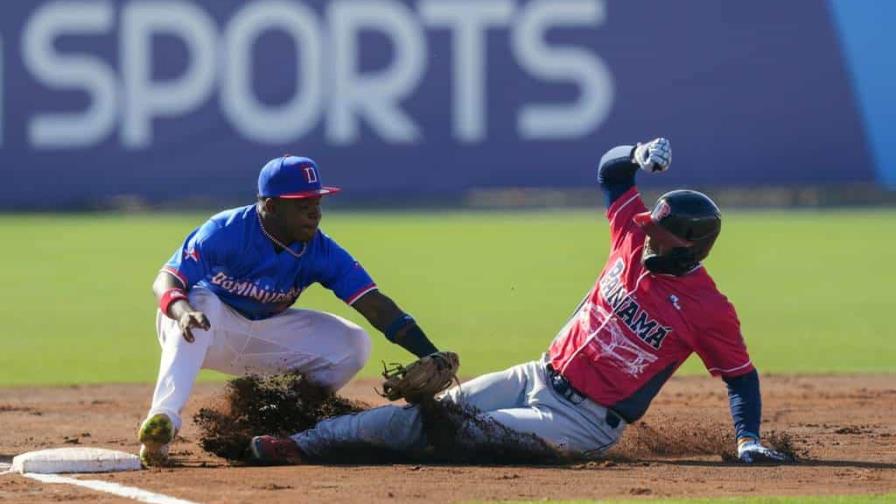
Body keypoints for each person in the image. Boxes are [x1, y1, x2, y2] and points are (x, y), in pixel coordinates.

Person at [249, 138, 791, 466]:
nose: (647, 233)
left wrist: (747, 439)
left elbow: (740, 375)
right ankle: (304, 440)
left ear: (693, 245)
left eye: (661, 235)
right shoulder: (630, 236)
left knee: (455, 435)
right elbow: (610, 173)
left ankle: (324, 449)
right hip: (536, 374)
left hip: (586, 423)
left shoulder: (708, 309)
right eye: (649, 226)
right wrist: (637, 155)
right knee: (428, 414)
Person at [138, 155, 443, 467]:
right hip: (208, 329)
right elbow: (168, 279)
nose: (314, 213)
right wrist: (182, 311)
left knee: (354, 343)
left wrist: (430, 352)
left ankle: (277, 417)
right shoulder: (226, 230)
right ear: (270, 206)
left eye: (316, 202)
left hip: (265, 337)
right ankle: (162, 424)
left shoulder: (321, 251)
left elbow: (375, 306)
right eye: (302, 204)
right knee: (200, 302)